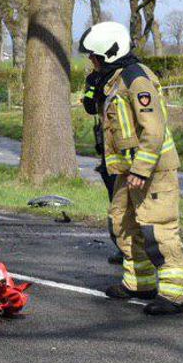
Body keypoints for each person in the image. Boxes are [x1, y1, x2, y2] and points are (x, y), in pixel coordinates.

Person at [79, 21, 183, 316]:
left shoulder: (136, 79)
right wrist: (93, 90)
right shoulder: (112, 79)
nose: (92, 61)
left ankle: (175, 294)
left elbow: (153, 128)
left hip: (152, 170)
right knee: (122, 224)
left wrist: (141, 169)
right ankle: (139, 283)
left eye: (95, 56)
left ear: (110, 53)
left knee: (157, 227)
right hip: (128, 170)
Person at [82, 70, 125, 264]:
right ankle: (123, 247)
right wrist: (92, 88)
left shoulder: (126, 77)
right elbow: (90, 106)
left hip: (125, 149)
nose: (92, 59)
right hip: (108, 153)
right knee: (116, 203)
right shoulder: (96, 79)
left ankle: (138, 249)